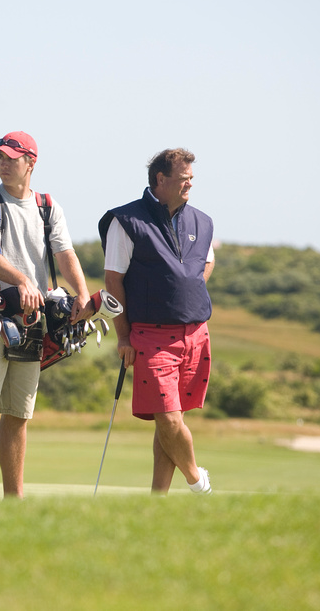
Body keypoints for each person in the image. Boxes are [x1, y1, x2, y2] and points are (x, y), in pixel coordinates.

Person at [0, 131, 91, 501]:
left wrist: (81, 294)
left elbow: (65, 254)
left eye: (11, 159)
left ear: (30, 162)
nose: (4, 164)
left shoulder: (48, 206)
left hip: (33, 322)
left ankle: (14, 501)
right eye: (0, 158)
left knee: (18, 415)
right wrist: (21, 279)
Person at [98, 148, 215, 495]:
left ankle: (157, 501)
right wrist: (123, 336)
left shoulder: (202, 221)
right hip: (149, 334)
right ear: (160, 180)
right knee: (167, 416)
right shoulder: (127, 220)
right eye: (183, 179)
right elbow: (113, 280)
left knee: (171, 419)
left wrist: (186, 291)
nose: (189, 184)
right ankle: (197, 480)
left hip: (195, 333)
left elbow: (204, 263)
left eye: (191, 179)